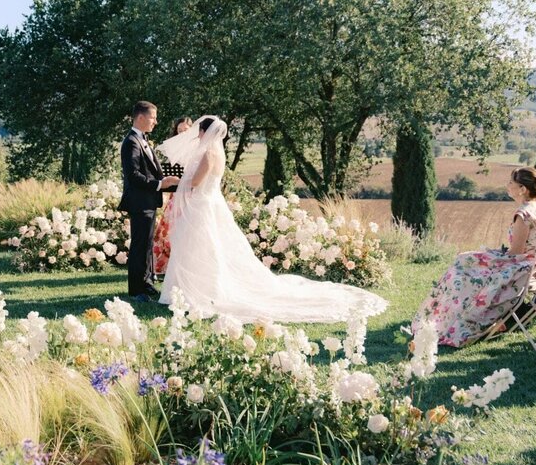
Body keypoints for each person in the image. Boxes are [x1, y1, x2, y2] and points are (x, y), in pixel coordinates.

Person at [158, 116, 386, 322]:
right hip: (210, 204)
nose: (196, 134)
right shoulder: (218, 153)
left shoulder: (208, 153)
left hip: (203, 206)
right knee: (206, 249)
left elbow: (196, 182)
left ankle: (197, 291)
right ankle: (197, 289)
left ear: (204, 133)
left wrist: (171, 182)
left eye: (199, 131)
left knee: (199, 248)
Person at [416, 167, 536, 347]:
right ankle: (442, 319)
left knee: (461, 270)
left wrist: (491, 258)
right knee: (466, 260)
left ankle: (444, 323)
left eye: (511, 183)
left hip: (521, 270)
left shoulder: (524, 214)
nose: (507, 185)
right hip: (533, 267)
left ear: (522, 189)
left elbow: (516, 253)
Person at [118, 101, 179, 301]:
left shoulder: (142, 140)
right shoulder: (131, 143)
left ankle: (147, 284)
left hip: (148, 201)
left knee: (146, 245)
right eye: (153, 117)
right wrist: (160, 184)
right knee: (139, 246)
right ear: (141, 118)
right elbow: (134, 176)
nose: (156, 122)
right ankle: (137, 291)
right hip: (139, 202)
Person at [153, 116, 193, 274]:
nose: (182, 133)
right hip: (177, 193)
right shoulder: (173, 148)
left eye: (185, 130)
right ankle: (166, 265)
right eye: (180, 130)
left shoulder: (197, 147)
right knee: (168, 229)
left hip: (191, 193)